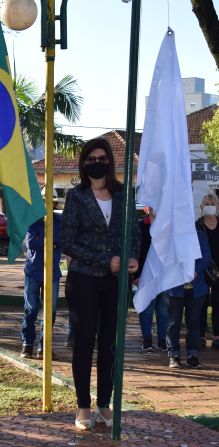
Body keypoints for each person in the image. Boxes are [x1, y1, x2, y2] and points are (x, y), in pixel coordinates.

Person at [60, 137, 140, 431]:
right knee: (83, 343)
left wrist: (133, 259)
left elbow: (134, 233)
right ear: (84, 164)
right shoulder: (76, 196)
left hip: (115, 282)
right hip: (83, 280)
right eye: (91, 159)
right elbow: (67, 241)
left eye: (102, 158)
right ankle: (82, 405)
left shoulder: (124, 194)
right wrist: (105, 260)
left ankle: (104, 403)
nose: (97, 163)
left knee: (110, 344)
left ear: (110, 161)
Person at [165, 205, 212, 368]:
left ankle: (193, 355)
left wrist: (194, 270)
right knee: (174, 322)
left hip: (197, 288)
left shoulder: (199, 235)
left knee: (194, 322)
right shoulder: (169, 237)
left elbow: (207, 257)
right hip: (175, 287)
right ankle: (174, 355)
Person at [20, 194, 62, 360]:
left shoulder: (59, 221)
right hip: (33, 271)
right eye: (44, 201)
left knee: (50, 312)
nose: (47, 204)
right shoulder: (33, 220)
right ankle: (27, 344)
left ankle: (45, 347)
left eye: (50, 202)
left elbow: (63, 240)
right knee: (31, 310)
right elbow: (32, 242)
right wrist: (52, 241)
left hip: (52, 271)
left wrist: (49, 240)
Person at [134, 207, 169, 352]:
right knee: (147, 309)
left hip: (164, 275)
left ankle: (162, 340)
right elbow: (135, 251)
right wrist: (135, 276)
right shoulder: (140, 227)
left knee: (163, 309)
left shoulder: (168, 226)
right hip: (145, 276)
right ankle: (147, 340)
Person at [196, 193, 219, 350]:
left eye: (213, 202)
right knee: (200, 304)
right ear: (202, 207)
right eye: (207, 203)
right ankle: (200, 336)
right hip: (202, 270)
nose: (210, 205)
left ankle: (217, 336)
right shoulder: (197, 225)